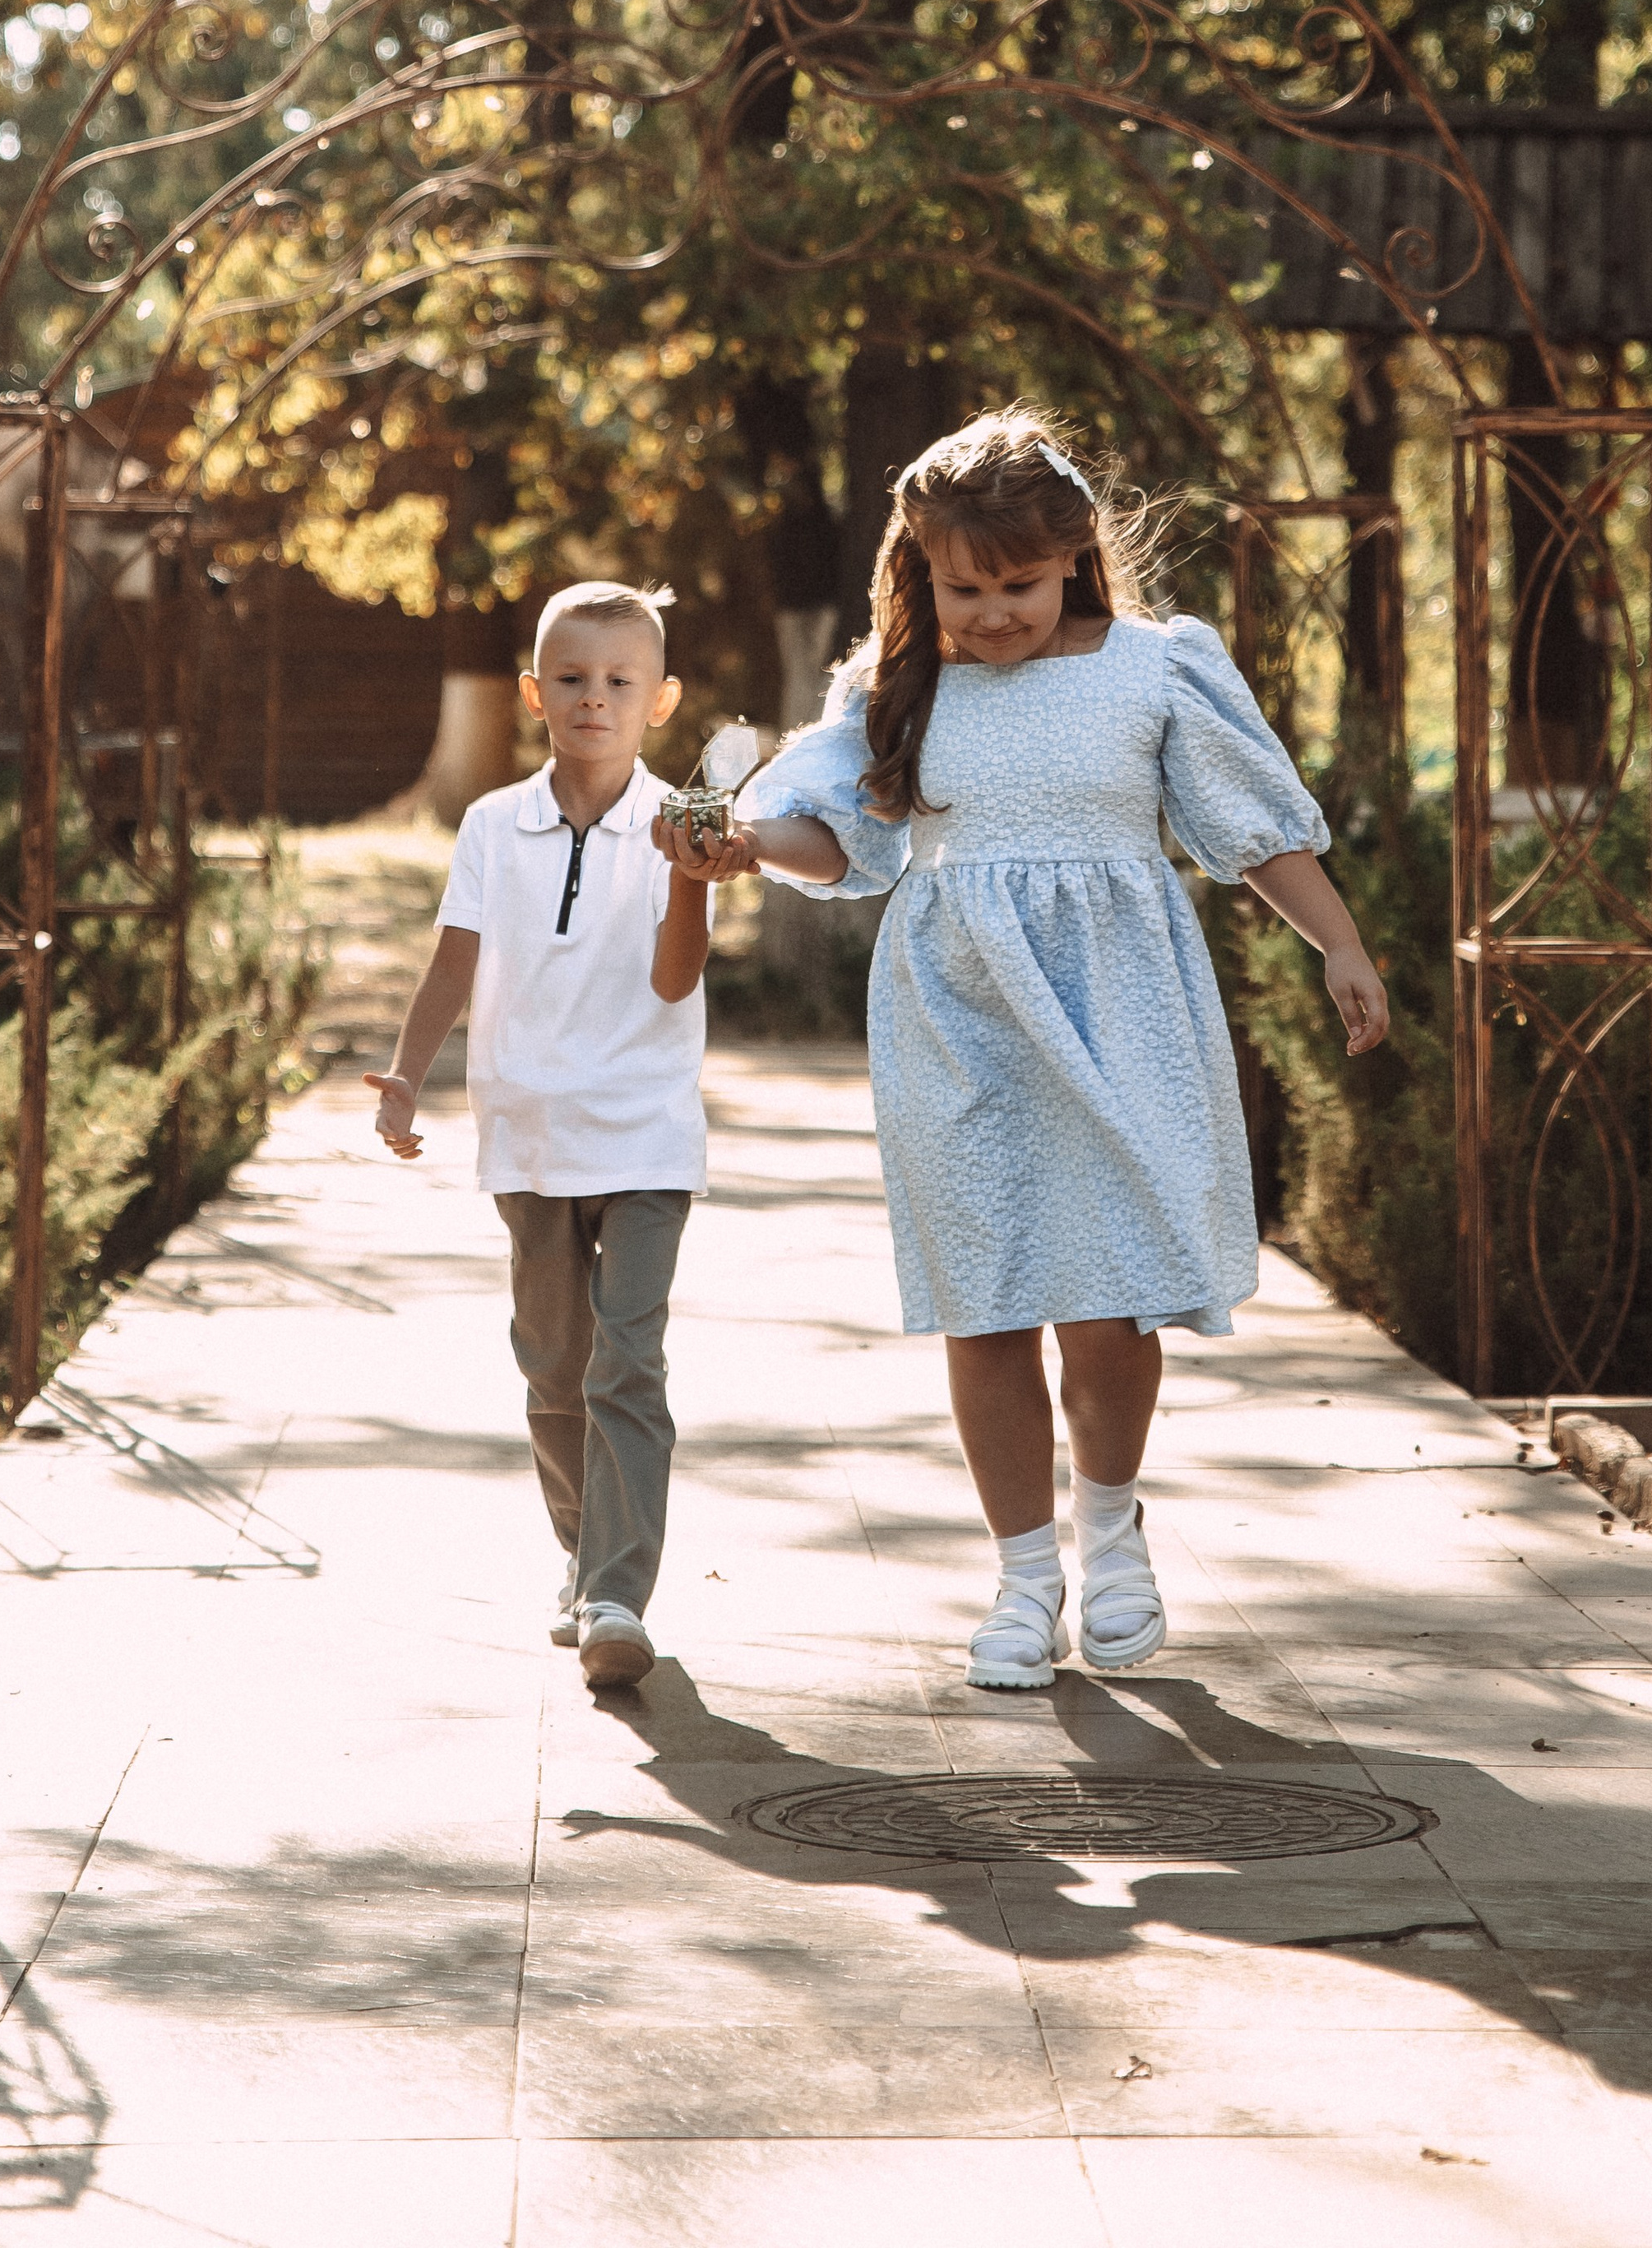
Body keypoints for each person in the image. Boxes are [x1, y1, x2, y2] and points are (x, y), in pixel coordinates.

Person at [658, 407, 1389, 1690]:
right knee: (985, 1300)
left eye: (1020, 584)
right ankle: (1021, 1572)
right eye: (962, 586)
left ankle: (1110, 1536)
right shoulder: (899, 689)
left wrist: (1338, 941)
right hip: (957, 1014)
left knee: (1107, 1298)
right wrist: (750, 845)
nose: (992, 613)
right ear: (918, 573)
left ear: (1076, 558)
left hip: (1121, 1009)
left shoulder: (1152, 669)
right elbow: (854, 846)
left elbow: (1249, 830)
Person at [366, 580, 715, 1691]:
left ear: (660, 700)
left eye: (619, 681)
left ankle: (618, 1590)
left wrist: (695, 879)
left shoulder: (674, 825)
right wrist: (406, 1079)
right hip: (528, 1131)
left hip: (648, 1134)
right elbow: (455, 963)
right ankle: (577, 1548)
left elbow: (674, 977)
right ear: (532, 693)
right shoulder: (490, 825)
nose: (594, 699)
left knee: (628, 1359)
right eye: (571, 678)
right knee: (555, 1365)